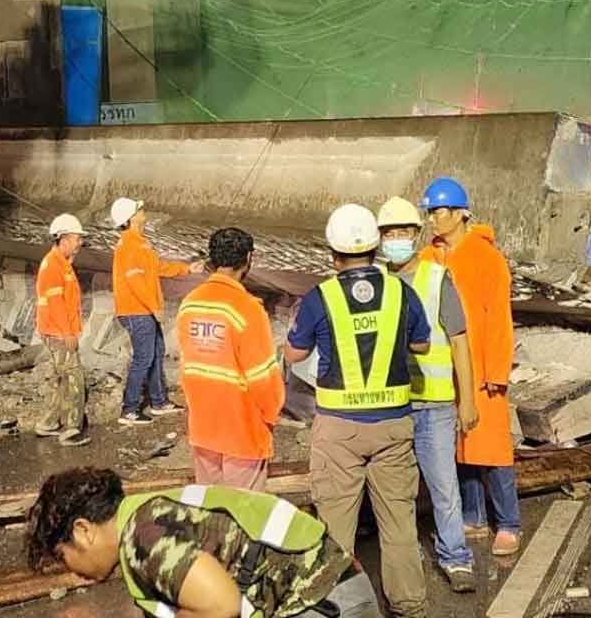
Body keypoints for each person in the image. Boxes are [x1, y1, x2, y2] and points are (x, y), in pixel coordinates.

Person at [284, 204, 429, 618]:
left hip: (338, 429)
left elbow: (296, 352)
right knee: (399, 524)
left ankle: (336, 608)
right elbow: (421, 344)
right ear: (377, 247)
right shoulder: (402, 291)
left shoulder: (320, 297)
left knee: (334, 529)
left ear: (333, 254)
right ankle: (408, 606)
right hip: (393, 426)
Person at [26, 467, 380, 618]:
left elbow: (221, 604)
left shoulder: (144, 536)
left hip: (323, 603)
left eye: (62, 556)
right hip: (333, 592)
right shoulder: (150, 516)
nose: (71, 572)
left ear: (83, 531)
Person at [376, 196, 479, 593]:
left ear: (416, 235)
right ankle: (405, 557)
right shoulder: (374, 282)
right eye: (389, 233)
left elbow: (459, 341)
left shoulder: (437, 278)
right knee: (396, 491)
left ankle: (456, 558)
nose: (397, 239)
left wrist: (465, 399)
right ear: (380, 239)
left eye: (403, 231)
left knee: (443, 486)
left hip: (434, 403)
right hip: (391, 405)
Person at [419, 176, 522, 556]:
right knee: (459, 448)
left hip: (480, 367)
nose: (433, 220)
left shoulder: (486, 257)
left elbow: (498, 317)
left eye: (439, 212)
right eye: (430, 213)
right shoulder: (429, 257)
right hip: (444, 370)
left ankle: (508, 522)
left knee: (492, 450)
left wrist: (497, 371)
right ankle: (475, 517)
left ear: (461, 214)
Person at [176, 228, 285, 491]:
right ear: (248, 259)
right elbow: (263, 378)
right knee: (243, 514)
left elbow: (187, 368)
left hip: (203, 426)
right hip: (242, 429)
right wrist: (271, 417)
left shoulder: (190, 303)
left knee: (210, 510)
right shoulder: (247, 308)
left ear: (212, 258)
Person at [110, 196, 203, 426]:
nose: (143, 210)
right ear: (131, 218)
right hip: (137, 311)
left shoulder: (139, 242)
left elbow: (157, 268)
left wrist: (187, 268)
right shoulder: (130, 245)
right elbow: (136, 282)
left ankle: (159, 402)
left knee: (156, 352)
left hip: (142, 310)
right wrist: (154, 307)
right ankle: (129, 409)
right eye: (139, 209)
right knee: (144, 358)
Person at [36, 213, 89, 445]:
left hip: (54, 330)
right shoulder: (54, 265)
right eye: (77, 238)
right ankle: (71, 430)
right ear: (64, 238)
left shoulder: (59, 262)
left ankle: (47, 424)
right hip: (59, 332)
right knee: (74, 379)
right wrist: (67, 332)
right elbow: (56, 304)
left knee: (60, 379)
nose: (80, 243)